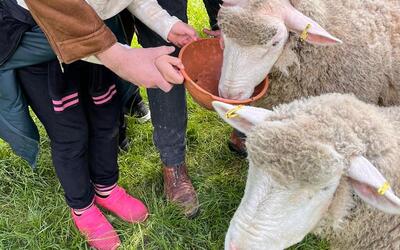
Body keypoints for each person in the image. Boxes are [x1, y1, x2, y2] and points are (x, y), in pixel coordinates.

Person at [1, 0, 197, 249]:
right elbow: (63, 20)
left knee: (106, 117)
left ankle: (106, 188)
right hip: (40, 40)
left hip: (102, 36)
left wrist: (166, 24)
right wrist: (121, 58)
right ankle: (82, 206)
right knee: (70, 134)